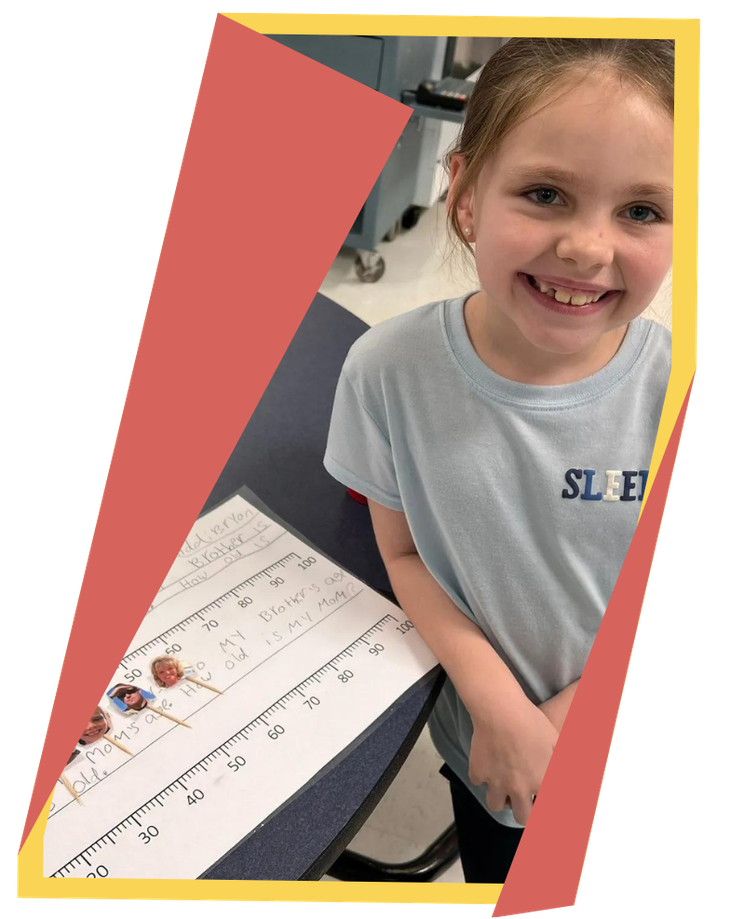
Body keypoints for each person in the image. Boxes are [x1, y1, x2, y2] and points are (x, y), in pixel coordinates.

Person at [323, 37, 673, 884]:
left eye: (641, 210)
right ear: (467, 195)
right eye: (546, 194)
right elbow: (402, 552)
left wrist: (566, 720)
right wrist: (500, 707)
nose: (589, 249)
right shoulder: (388, 372)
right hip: (493, 757)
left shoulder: (669, 386)